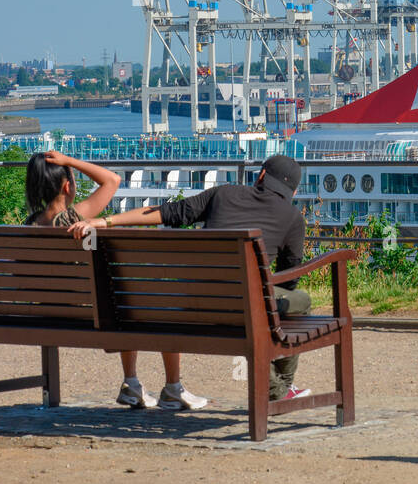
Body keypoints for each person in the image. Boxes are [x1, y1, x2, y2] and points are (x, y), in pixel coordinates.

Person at [69, 154, 312, 404]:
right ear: (291, 191)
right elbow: (288, 280)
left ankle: (279, 388)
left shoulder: (223, 194)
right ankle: (279, 388)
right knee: (300, 300)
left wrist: (106, 221)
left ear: (261, 176)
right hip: (245, 310)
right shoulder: (293, 218)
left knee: (264, 306)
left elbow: (166, 212)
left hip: (192, 305)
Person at [26, 150, 206, 411]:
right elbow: (111, 180)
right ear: (67, 186)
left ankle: (132, 385)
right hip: (93, 316)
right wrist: (71, 161)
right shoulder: (70, 220)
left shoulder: (29, 225)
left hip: (47, 314)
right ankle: (172, 388)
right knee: (148, 304)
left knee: (118, 301)